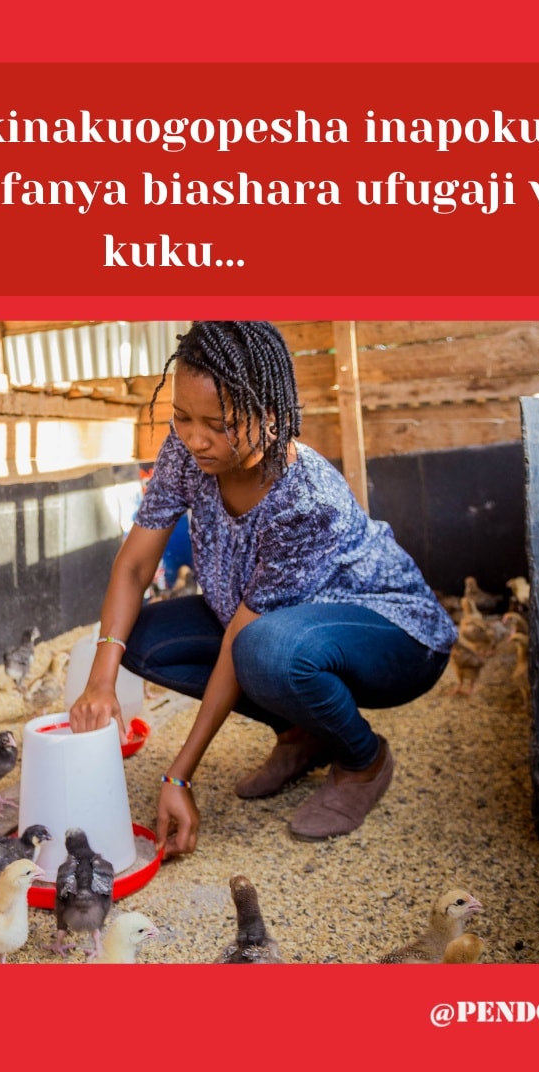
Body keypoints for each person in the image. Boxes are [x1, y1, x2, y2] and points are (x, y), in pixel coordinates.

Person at [68, 321, 456, 857]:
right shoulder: (186, 454)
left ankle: (364, 760)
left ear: (269, 418)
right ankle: (304, 734)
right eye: (182, 417)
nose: (195, 438)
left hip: (393, 632)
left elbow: (242, 641)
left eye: (218, 424)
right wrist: (100, 680)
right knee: (146, 636)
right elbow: (134, 569)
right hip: (267, 629)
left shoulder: (305, 496)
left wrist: (179, 777)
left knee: (266, 651)